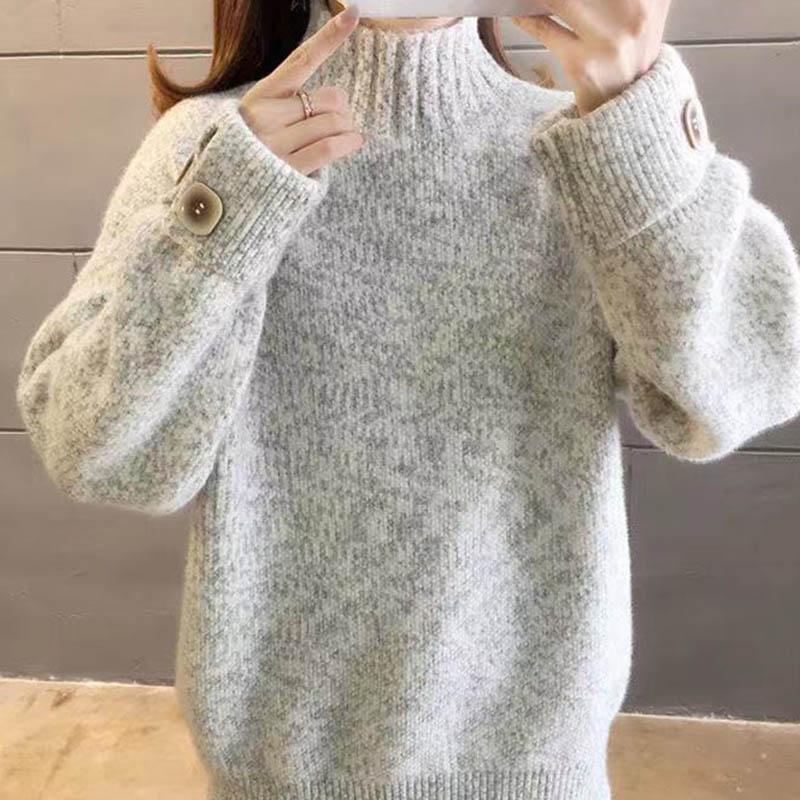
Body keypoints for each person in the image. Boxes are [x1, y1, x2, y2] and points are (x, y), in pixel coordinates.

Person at [16, 1, 800, 798]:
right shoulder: (221, 147)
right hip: (280, 778)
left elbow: (742, 389)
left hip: (536, 774)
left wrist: (640, 124)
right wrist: (225, 208)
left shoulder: (587, 147)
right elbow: (93, 451)